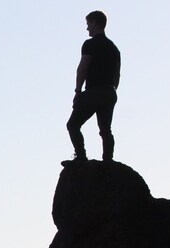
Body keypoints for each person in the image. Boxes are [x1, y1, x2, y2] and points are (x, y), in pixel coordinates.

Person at [64, 10, 121, 165]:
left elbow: (82, 69)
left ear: (95, 23)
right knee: (105, 130)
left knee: (73, 125)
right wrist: (111, 90)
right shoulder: (114, 48)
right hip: (109, 92)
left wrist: (78, 91)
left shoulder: (90, 44)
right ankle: (108, 161)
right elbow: (117, 75)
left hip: (93, 92)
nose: (87, 28)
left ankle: (81, 156)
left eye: (88, 24)